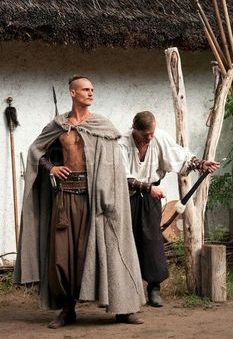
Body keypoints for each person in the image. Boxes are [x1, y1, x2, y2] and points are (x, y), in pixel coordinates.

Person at [14, 76, 146, 329]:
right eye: (85, 89)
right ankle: (67, 309)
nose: (90, 93)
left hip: (97, 200)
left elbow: (113, 166)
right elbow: (36, 150)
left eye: (92, 89)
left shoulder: (102, 126)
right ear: (72, 93)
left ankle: (123, 309)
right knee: (63, 256)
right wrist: (51, 168)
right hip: (65, 199)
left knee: (108, 250)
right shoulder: (58, 126)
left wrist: (109, 196)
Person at [119, 111, 220, 307]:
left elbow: (180, 157)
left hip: (151, 197)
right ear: (134, 129)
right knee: (125, 240)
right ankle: (127, 291)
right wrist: (148, 188)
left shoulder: (159, 137)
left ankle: (154, 288)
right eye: (145, 134)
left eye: (152, 133)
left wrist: (201, 164)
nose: (150, 137)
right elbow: (121, 175)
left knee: (152, 240)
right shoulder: (121, 142)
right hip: (126, 196)